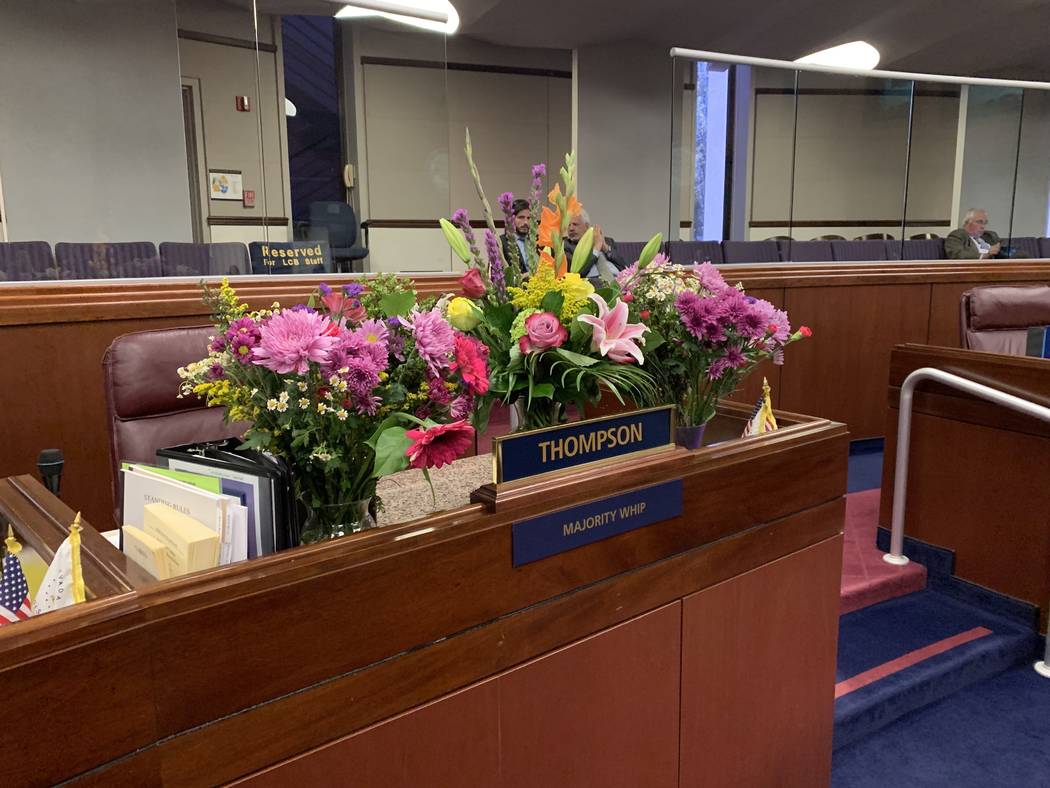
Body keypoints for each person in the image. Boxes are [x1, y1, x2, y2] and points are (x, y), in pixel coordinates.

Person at [564, 210, 628, 281]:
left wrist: (605, 248)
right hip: (593, 284)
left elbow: (624, 267)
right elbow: (578, 274)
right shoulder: (566, 245)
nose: (571, 229)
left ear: (587, 226)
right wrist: (596, 248)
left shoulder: (608, 241)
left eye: (575, 224)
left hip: (619, 281)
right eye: (569, 225)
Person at [501, 199, 532, 273]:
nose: (526, 222)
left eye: (528, 218)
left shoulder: (536, 241)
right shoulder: (502, 242)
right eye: (521, 217)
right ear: (511, 219)